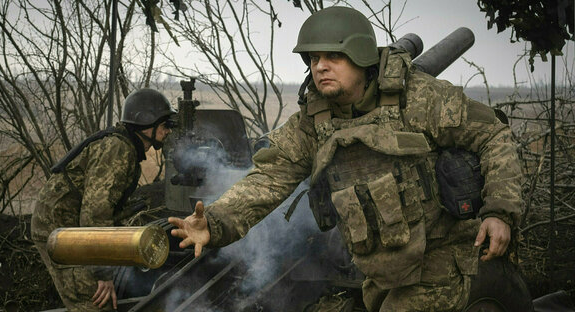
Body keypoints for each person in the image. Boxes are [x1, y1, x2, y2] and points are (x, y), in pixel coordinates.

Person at [169, 6, 528, 312]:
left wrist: (500, 211)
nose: (319, 67)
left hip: (444, 256)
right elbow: (266, 180)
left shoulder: (419, 98)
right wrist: (213, 223)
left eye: (332, 57)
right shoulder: (314, 122)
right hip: (384, 271)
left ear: (360, 56)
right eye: (313, 59)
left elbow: (493, 136)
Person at [31, 88, 175, 311]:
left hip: (73, 227)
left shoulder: (125, 146)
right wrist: (103, 274)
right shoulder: (118, 149)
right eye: (165, 125)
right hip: (60, 230)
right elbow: (94, 213)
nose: (167, 132)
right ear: (146, 123)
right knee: (95, 303)